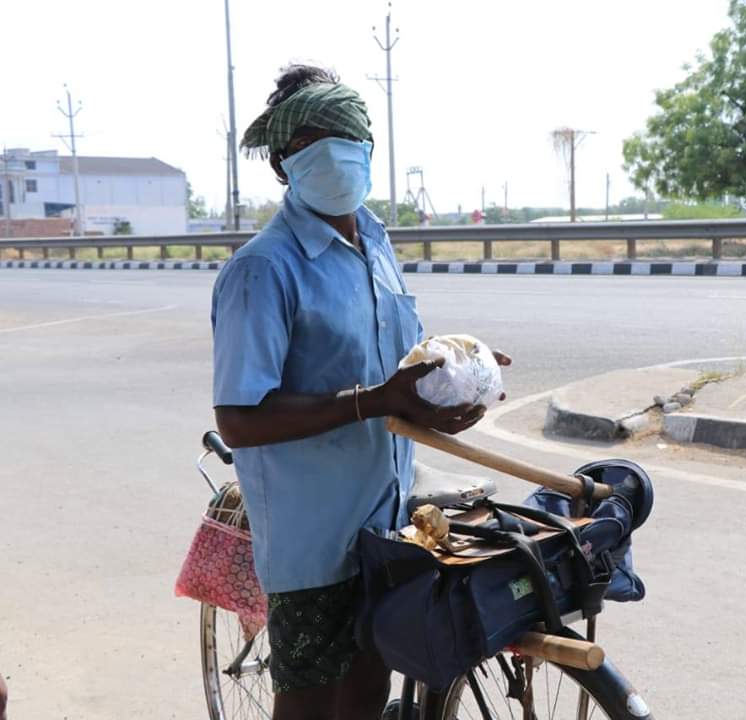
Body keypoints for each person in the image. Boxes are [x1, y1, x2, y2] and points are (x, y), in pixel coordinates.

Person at [211, 64, 510, 720]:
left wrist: (451, 380)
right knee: (311, 704)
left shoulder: (375, 242)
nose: (335, 154)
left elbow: (396, 364)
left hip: (386, 522)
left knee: (369, 690)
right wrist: (374, 401)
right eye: (312, 142)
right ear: (283, 163)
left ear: (368, 149)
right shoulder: (263, 268)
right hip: (313, 538)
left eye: (347, 137)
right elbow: (239, 418)